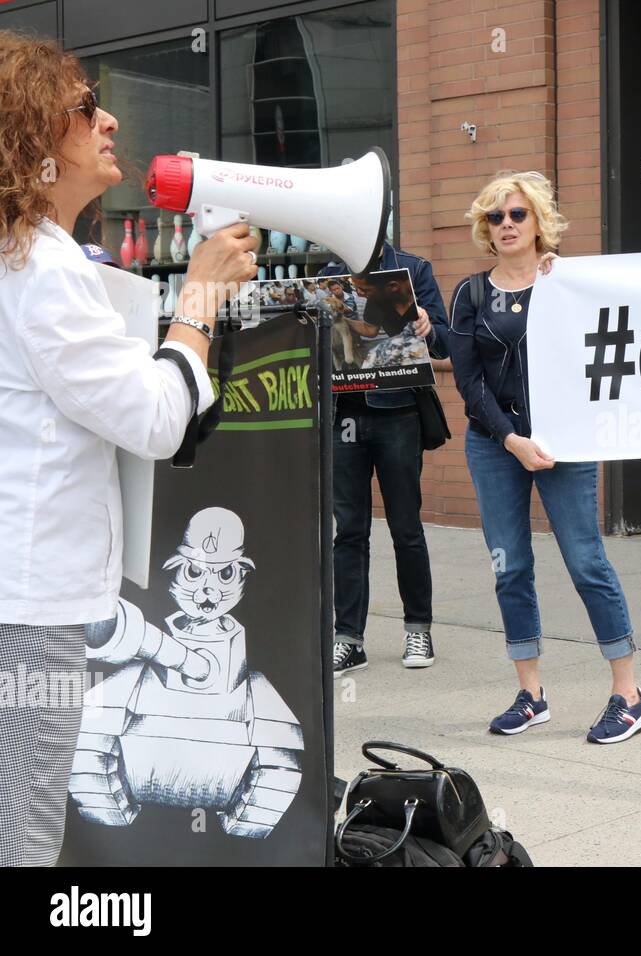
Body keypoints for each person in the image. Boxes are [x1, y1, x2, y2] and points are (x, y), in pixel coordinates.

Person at [0, 31, 257, 866]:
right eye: (82, 108)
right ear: (34, 136)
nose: (108, 119)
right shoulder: (41, 267)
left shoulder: (27, 261)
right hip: (30, 606)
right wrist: (203, 299)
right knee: (20, 831)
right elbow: (152, 419)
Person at [449, 171, 641, 744]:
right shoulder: (470, 293)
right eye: (496, 217)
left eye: (517, 215)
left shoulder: (569, 282)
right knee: (508, 565)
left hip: (565, 441)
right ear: (484, 228)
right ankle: (531, 694)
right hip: (494, 445)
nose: (507, 225)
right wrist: (511, 438)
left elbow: (606, 355)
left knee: (586, 561)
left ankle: (630, 695)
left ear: (539, 221)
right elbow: (470, 382)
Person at [317, 243, 450, 673]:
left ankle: (418, 629)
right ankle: (348, 638)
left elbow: (445, 343)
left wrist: (429, 327)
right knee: (349, 532)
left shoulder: (413, 269)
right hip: (344, 418)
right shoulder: (328, 275)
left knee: (406, 527)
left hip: (398, 415)